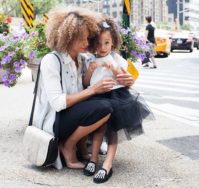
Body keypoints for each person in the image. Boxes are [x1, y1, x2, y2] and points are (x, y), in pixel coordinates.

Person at [36, 7, 116, 170]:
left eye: (88, 38)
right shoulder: (51, 61)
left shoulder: (82, 59)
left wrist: (125, 79)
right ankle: (68, 145)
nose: (87, 44)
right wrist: (93, 90)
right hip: (55, 121)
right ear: (67, 36)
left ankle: (77, 145)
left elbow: (105, 64)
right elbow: (57, 103)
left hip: (72, 115)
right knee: (104, 107)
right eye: (81, 39)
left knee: (109, 104)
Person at [82, 18, 152, 183]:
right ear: (93, 44)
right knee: (99, 129)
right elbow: (86, 83)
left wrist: (112, 68)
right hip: (97, 97)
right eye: (98, 43)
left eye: (107, 43)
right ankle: (93, 159)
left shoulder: (117, 59)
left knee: (113, 131)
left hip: (116, 97)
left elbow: (124, 80)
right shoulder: (89, 60)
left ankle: (108, 163)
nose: (102, 47)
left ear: (113, 43)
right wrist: (90, 71)